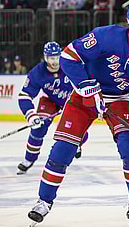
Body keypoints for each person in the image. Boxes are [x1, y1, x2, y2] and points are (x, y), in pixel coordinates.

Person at [27, 2, 129, 227]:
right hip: (83, 97)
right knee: (63, 149)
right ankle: (44, 201)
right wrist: (85, 85)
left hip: (119, 100)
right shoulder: (105, 36)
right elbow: (69, 57)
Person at [17, 42, 87, 175]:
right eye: (51, 58)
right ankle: (29, 159)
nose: (54, 62)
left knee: (78, 131)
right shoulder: (37, 72)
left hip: (72, 101)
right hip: (49, 100)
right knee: (39, 127)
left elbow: (85, 83)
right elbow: (24, 95)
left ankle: (77, 143)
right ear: (45, 57)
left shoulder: (69, 66)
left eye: (57, 57)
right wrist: (31, 115)